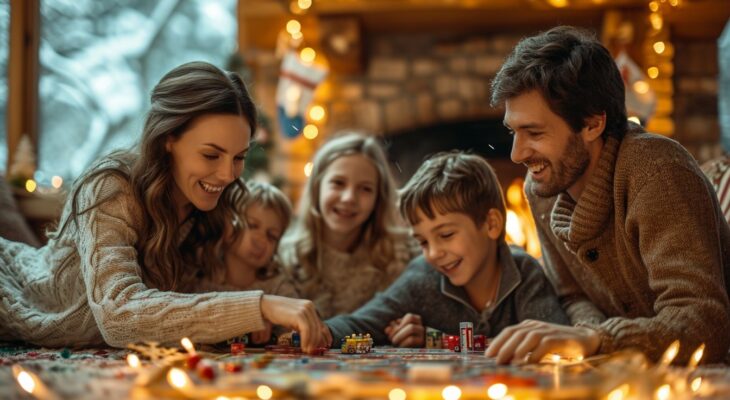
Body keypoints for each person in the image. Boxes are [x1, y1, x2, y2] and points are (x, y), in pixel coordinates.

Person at [0, 61, 330, 353]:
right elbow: (118, 315)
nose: (228, 174)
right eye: (211, 155)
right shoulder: (111, 187)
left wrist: (276, 308)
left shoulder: (208, 206)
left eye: (239, 157)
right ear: (168, 139)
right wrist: (261, 305)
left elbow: (201, 291)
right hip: (12, 290)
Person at [486, 26, 730, 364]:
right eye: (514, 131)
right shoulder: (541, 190)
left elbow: (706, 323)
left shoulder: (656, 172)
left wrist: (597, 339)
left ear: (592, 124)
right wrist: (585, 342)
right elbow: (572, 297)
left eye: (534, 133)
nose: (517, 154)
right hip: (629, 375)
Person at [326, 152, 569, 347]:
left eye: (446, 235)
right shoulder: (422, 276)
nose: (433, 253)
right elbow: (361, 323)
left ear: (491, 224)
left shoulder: (524, 273)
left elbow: (552, 343)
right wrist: (320, 332)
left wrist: (439, 341)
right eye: (422, 242)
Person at [280, 132, 416, 319]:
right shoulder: (283, 260)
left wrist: (417, 329)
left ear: (378, 198)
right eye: (338, 183)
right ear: (317, 187)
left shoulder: (402, 257)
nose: (349, 198)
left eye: (365, 188)